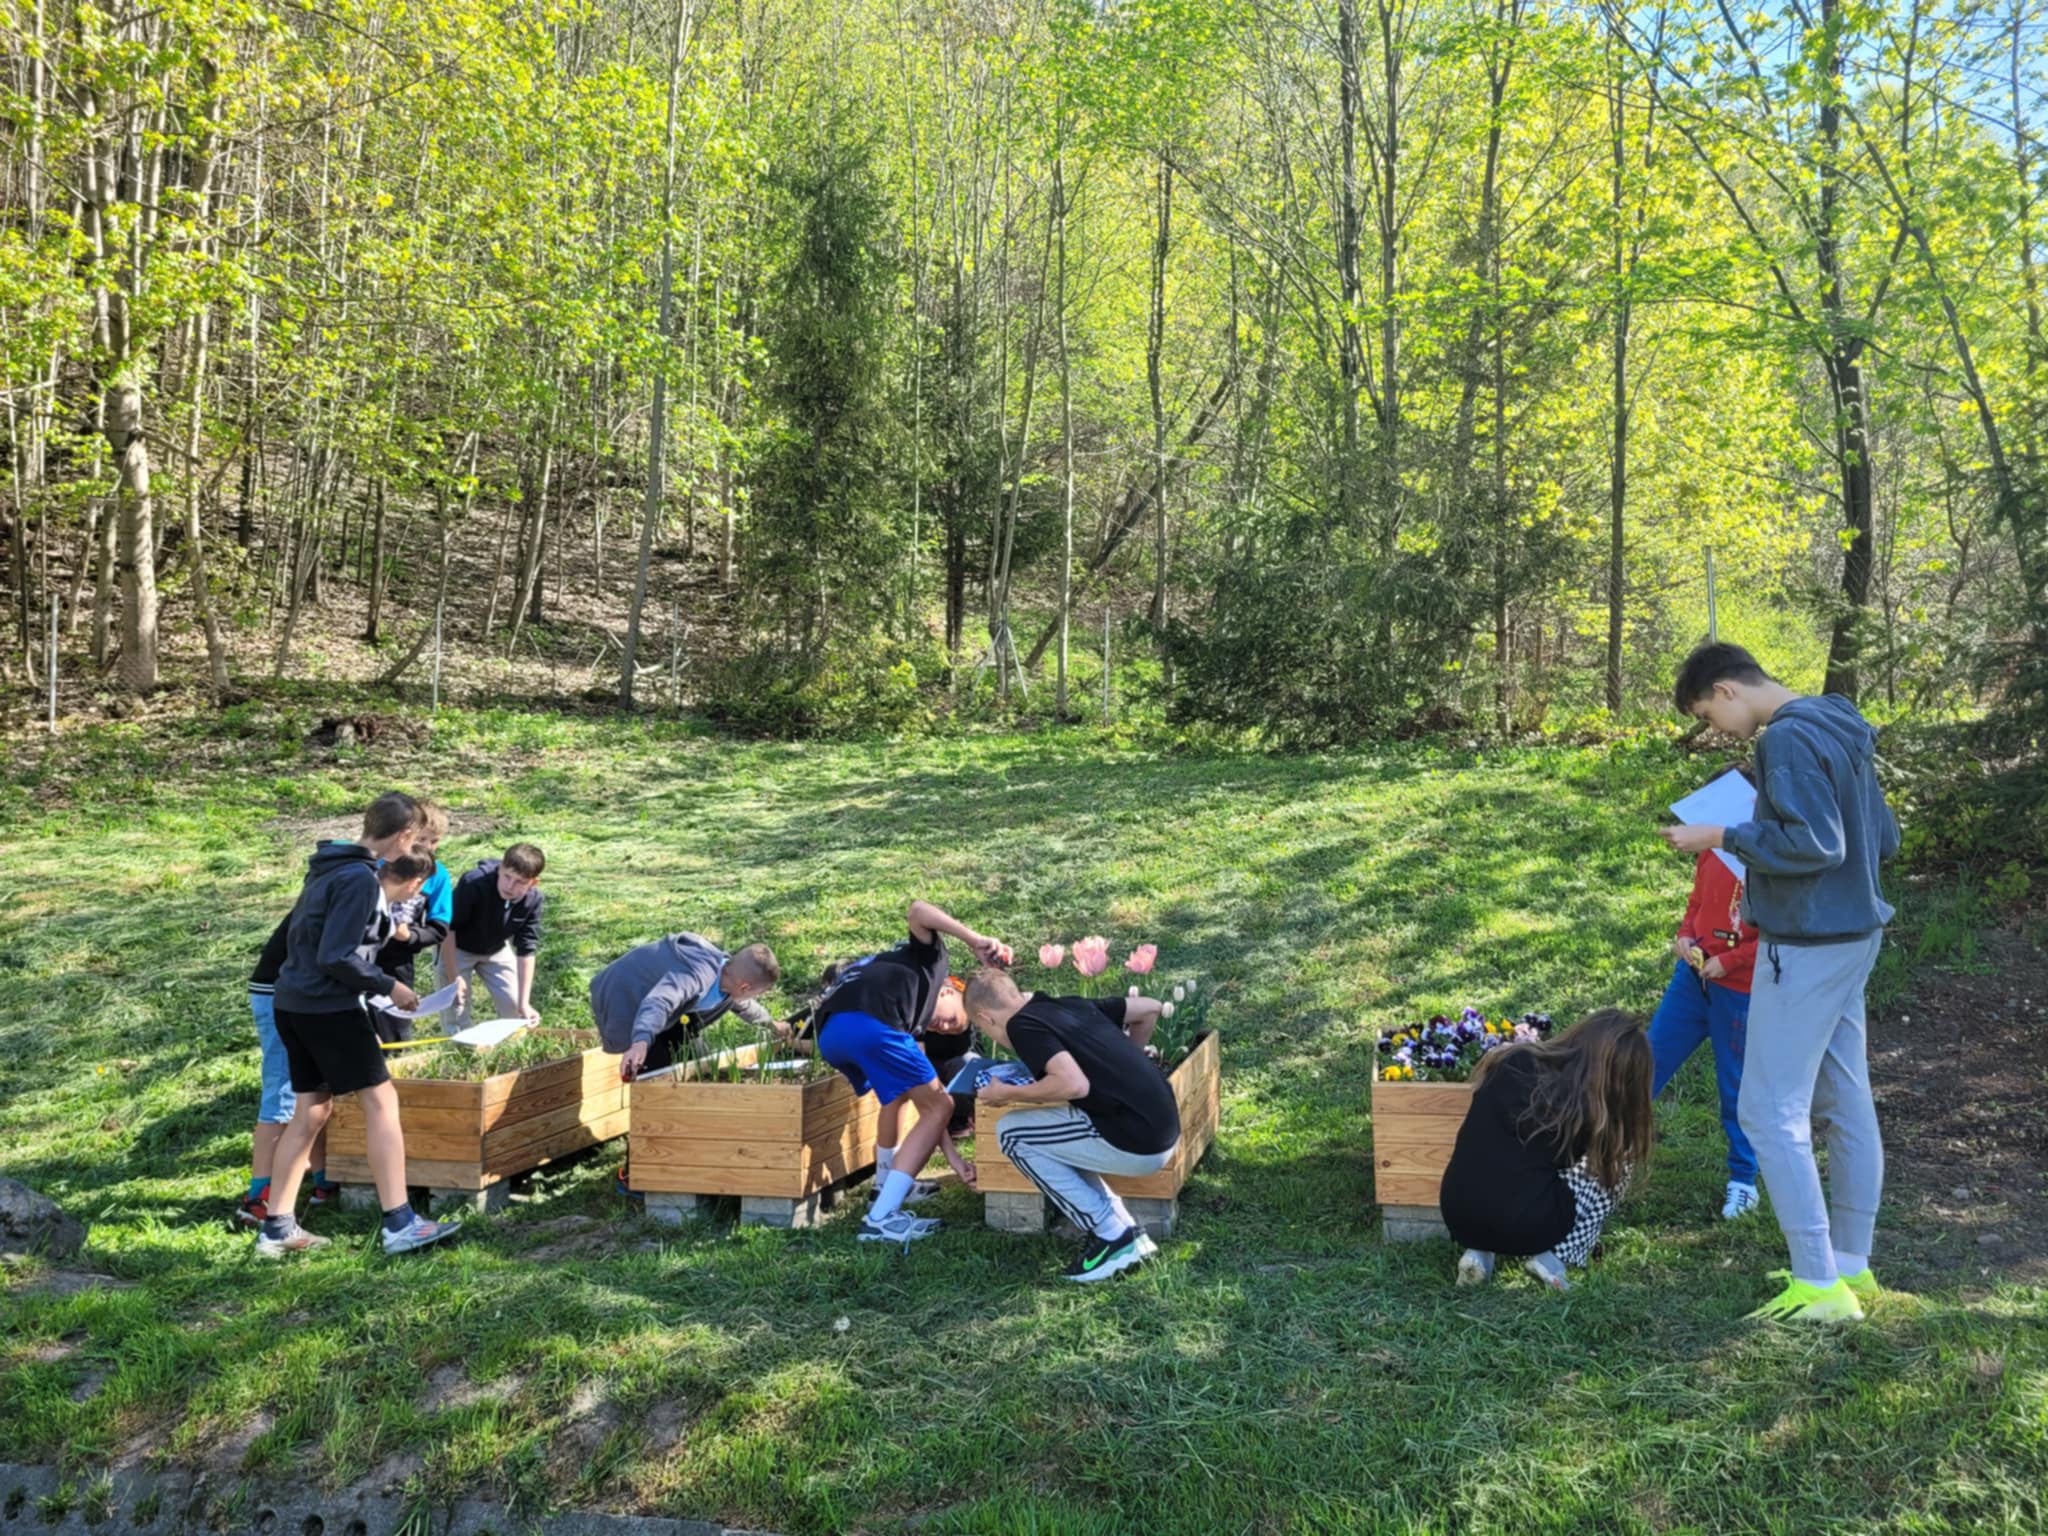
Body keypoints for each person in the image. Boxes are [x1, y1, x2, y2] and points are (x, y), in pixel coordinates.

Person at [1661, 640, 1901, 1324]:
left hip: (1806, 944)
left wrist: (1723, 835)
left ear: (1728, 691)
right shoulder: (1839, 720)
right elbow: (1882, 838)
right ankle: (1850, 1263)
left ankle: (1818, 1284)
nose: (1716, 730)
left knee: (1767, 1110)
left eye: (1708, 715)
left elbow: (1816, 844)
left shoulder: (1786, 739)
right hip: (1855, 936)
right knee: (1846, 1098)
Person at [257, 794, 462, 1258]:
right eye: (416, 836)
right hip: (327, 1007)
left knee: (311, 1110)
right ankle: (400, 1223)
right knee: (382, 1101)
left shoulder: (330, 864)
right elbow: (336, 955)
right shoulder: (358, 878)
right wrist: (389, 985)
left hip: (293, 1003)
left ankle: (277, 1228)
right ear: (404, 835)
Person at [810, 900, 1009, 1244]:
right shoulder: (931, 962)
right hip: (871, 1024)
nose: (942, 1027)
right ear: (948, 990)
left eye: (947, 1030)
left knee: (901, 1096)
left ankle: (884, 1185)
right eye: (950, 1020)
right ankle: (881, 1218)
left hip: (831, 1032)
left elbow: (925, 1104)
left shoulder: (910, 1012)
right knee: (941, 1105)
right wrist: (975, 940)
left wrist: (953, 1159)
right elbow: (918, 910)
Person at [963, 971, 1178, 1282]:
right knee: (1054, 1140)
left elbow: (1073, 1085)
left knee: (1011, 1134)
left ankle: (1111, 1234)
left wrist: (1005, 1093)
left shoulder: (1021, 1027)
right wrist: (1128, 1068)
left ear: (985, 1017)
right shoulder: (1068, 1004)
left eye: (983, 1029)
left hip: (1138, 1141)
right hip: (1164, 1126)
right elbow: (1149, 1008)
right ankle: (1125, 1229)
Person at [1439, 1009, 1654, 1292]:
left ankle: (1477, 1254)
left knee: (1498, 1169)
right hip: (1526, 1225)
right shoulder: (1584, 1108)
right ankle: (1555, 1259)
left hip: (1457, 1212)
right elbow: (1569, 1167)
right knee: (1615, 1160)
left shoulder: (1513, 1060)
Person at [1650, 765, 1762, 1221]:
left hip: (1739, 990)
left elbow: (1778, 934)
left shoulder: (1769, 861)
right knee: (1647, 1061)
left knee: (1736, 1086)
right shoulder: (1711, 852)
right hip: (1692, 980)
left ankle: (1744, 1180)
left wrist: (1730, 962)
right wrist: (1685, 936)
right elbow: (1697, 902)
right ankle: (1605, 1151)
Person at [590, 933, 781, 1196]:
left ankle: (687, 1157)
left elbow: (743, 1006)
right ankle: (636, 1174)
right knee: (655, 1089)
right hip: (628, 999)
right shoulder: (696, 975)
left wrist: (772, 1025)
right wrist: (641, 1041)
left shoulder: (727, 979)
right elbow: (658, 1002)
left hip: (666, 1014)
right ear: (746, 986)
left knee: (699, 1070)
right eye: (761, 992)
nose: (757, 996)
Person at [371, 800, 455, 1036]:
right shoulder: (378, 864)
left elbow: (439, 928)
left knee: (396, 1028)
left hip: (398, 959)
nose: (428, 846)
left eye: (434, 841)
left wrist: (409, 936)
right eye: (422, 839)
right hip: (363, 954)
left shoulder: (438, 876)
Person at [445, 844, 546, 1026]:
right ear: (500, 869)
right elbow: (448, 928)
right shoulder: (473, 882)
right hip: (457, 947)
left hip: (496, 948)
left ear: (533, 882)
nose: (510, 886)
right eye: (507, 877)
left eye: (520, 882)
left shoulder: (533, 900)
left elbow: (527, 948)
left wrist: (524, 1003)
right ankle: (459, 1041)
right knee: (456, 1008)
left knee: (515, 1007)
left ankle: (512, 1042)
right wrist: (454, 977)